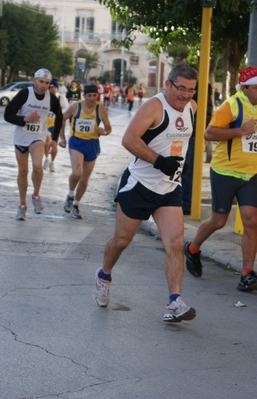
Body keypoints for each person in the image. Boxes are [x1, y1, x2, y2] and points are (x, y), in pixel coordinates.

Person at [92, 63, 198, 322]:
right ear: (168, 84)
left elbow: (184, 141)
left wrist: (182, 165)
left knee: (174, 244)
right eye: (180, 88)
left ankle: (174, 302)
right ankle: (104, 274)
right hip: (139, 185)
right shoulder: (154, 106)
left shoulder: (193, 108)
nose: (185, 95)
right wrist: (160, 161)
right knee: (121, 240)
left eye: (191, 90)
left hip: (169, 188)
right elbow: (128, 139)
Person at [184, 66, 257, 292]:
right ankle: (193, 248)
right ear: (245, 88)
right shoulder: (231, 105)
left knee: (252, 221)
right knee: (218, 221)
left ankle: (247, 274)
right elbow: (209, 133)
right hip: (225, 172)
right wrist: (241, 131)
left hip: (252, 174)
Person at [4, 68, 63, 221]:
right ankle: (22, 205)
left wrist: (55, 139)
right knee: (23, 171)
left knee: (37, 166)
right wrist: (24, 119)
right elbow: (7, 115)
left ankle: (36, 194)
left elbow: (60, 118)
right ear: (34, 80)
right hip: (21, 138)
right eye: (41, 81)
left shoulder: (51, 98)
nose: (44, 85)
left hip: (38, 137)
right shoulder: (25, 94)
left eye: (47, 83)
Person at [58, 84, 112, 219]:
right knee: (77, 173)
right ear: (84, 96)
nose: (92, 98)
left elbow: (109, 128)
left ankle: (76, 204)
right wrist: (62, 138)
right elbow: (61, 119)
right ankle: (70, 195)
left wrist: (103, 132)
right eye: (89, 95)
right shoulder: (76, 107)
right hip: (77, 142)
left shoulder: (101, 108)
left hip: (92, 144)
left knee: (84, 178)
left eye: (95, 95)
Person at [181, 81, 213, 214]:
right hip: (193, 135)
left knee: (187, 172)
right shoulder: (202, 90)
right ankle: (186, 203)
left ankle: (187, 204)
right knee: (187, 171)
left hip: (192, 136)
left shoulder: (200, 91)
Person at [43, 79, 69, 172]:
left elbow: (66, 109)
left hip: (56, 125)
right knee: (47, 140)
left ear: (57, 88)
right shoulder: (45, 97)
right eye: (51, 87)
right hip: (46, 125)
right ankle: (46, 158)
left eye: (55, 87)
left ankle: (52, 162)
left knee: (54, 146)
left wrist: (59, 113)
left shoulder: (61, 98)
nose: (53, 89)